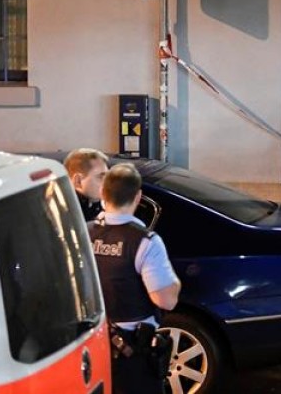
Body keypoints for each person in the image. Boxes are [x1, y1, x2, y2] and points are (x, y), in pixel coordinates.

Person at [89, 162, 181, 394]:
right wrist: (176, 284)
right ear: (138, 196)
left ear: (102, 193)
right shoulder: (145, 242)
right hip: (132, 352)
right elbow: (166, 300)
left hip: (91, 347)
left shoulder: (83, 233)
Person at [64, 147, 109, 222]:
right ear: (78, 181)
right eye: (101, 177)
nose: (108, 182)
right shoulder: (65, 218)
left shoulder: (99, 207)